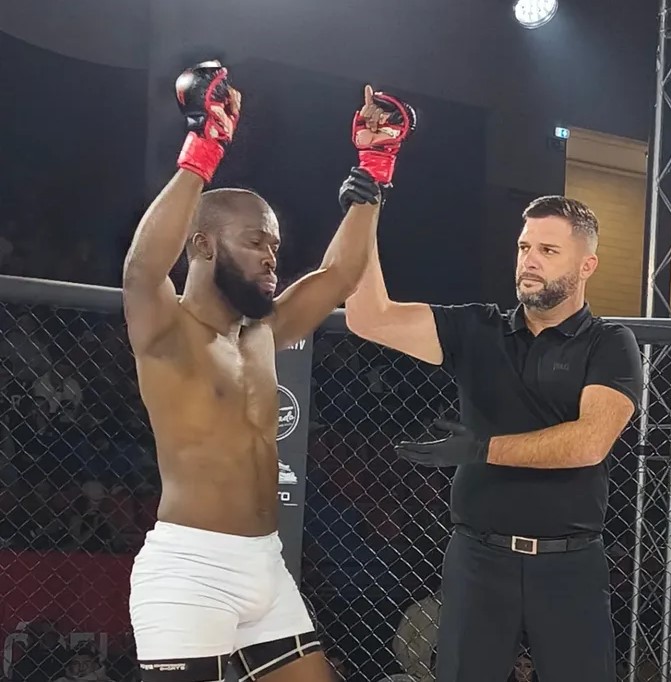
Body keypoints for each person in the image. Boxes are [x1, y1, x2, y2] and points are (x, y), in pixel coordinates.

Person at [121, 60, 415, 682]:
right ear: (203, 245)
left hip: (265, 566)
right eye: (256, 242)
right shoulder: (167, 331)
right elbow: (143, 268)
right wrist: (203, 150)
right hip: (190, 572)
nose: (270, 258)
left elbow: (340, 275)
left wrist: (374, 169)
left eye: (275, 247)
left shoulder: (262, 333)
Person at [343, 195, 643, 682]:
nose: (529, 260)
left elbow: (590, 442)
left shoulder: (609, 343)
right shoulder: (477, 327)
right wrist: (364, 209)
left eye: (548, 250)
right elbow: (367, 317)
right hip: (479, 557)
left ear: (587, 265)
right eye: (524, 247)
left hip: (569, 561)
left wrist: (482, 450)